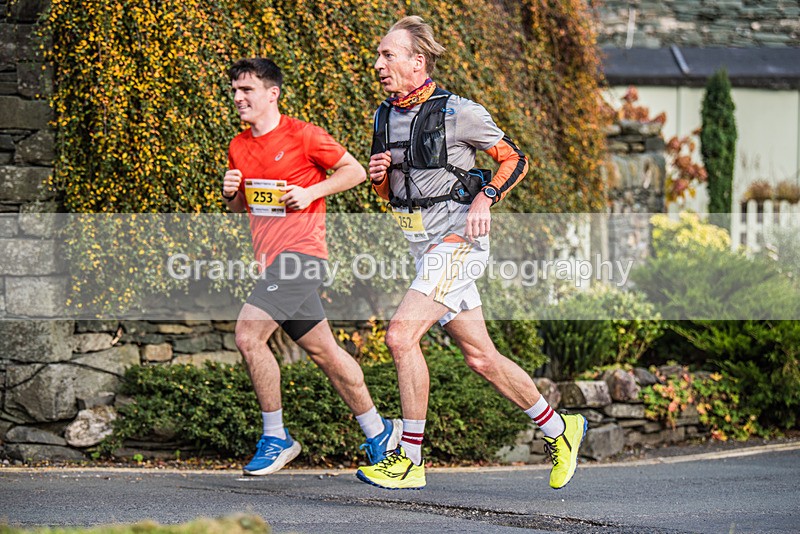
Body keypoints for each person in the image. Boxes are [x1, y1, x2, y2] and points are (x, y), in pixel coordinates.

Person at [355, 17, 587, 490]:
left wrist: (486, 198)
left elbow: (516, 158)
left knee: (400, 337)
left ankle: (410, 460)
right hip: (424, 247)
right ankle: (560, 429)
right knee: (481, 357)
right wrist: (379, 178)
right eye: (378, 55)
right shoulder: (383, 117)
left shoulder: (459, 112)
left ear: (417, 62)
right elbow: (393, 194)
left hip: (459, 242)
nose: (377, 64)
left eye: (387, 55)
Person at [222, 58, 401, 476]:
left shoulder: (303, 135)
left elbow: (354, 171)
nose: (238, 98)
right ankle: (379, 431)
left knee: (248, 336)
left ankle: (276, 437)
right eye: (234, 91)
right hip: (271, 262)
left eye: (246, 90)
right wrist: (232, 194)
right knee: (326, 352)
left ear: (272, 93)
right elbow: (241, 209)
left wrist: (311, 192)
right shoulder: (238, 146)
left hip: (301, 256)